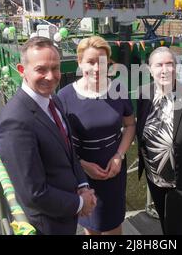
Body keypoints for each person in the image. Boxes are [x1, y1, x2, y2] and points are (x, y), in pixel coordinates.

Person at [0, 37, 96, 235]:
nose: (51, 76)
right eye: (41, 69)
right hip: (47, 225)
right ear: (22, 70)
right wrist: (80, 203)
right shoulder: (15, 122)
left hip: (65, 214)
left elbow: (69, 152)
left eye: (55, 68)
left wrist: (83, 185)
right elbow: (34, 193)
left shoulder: (53, 101)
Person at [57, 36, 136, 235]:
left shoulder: (118, 89)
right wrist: (83, 165)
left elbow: (130, 125)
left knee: (113, 225)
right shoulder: (65, 97)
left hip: (114, 170)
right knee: (89, 225)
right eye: (90, 62)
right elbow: (59, 142)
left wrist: (119, 156)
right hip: (82, 173)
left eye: (101, 61)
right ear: (79, 63)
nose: (96, 68)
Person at [136, 46, 182, 235]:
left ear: (176, 68)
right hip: (154, 177)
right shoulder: (144, 93)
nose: (165, 69)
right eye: (159, 65)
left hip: (181, 181)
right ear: (150, 69)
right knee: (164, 221)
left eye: (169, 64)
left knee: (175, 229)